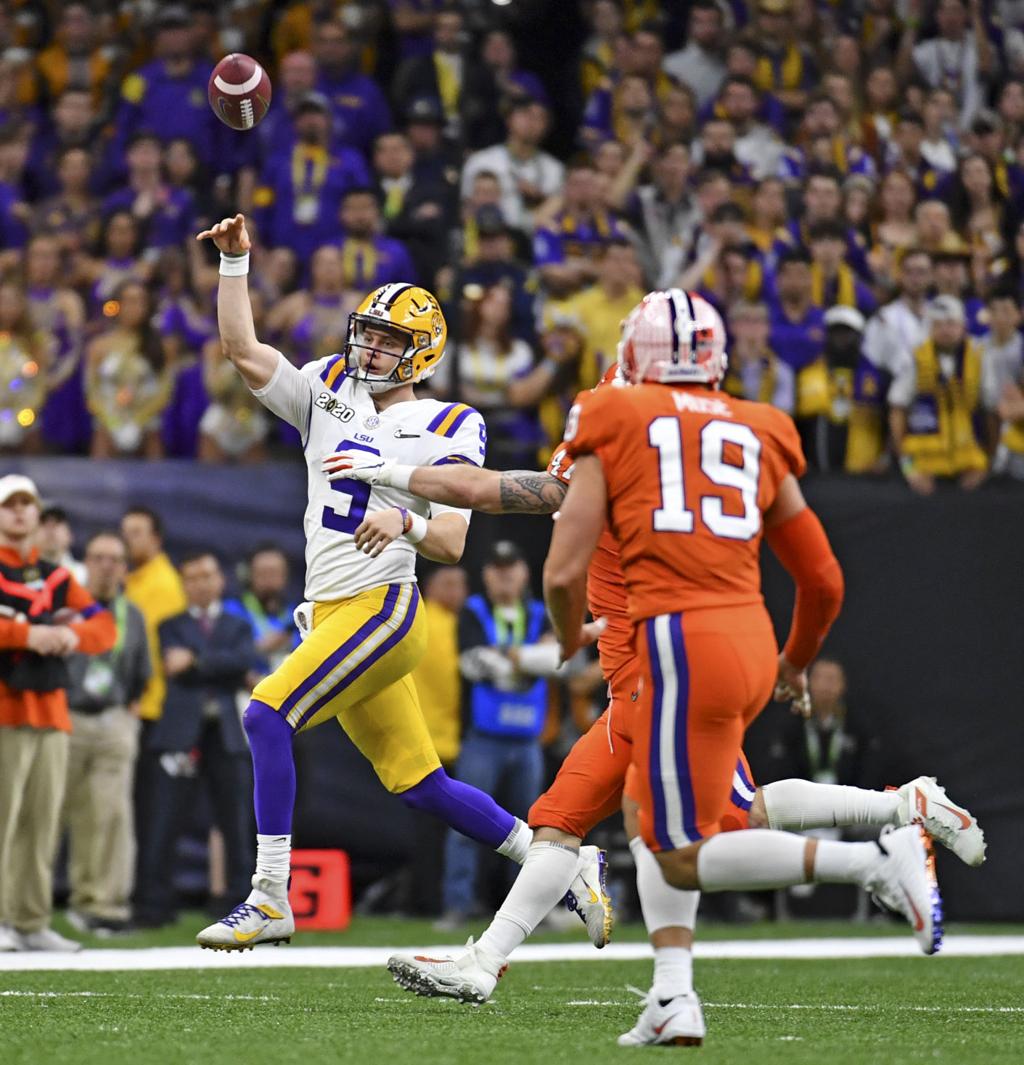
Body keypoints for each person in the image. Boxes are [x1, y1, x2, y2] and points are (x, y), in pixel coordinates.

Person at [328, 299, 984, 1039]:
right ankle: (510, 964)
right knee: (569, 816)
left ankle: (880, 848)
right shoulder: (756, 425)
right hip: (716, 641)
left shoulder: (614, 417)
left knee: (688, 840)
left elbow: (537, 533)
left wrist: (393, 474)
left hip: (663, 651)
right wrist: (796, 662)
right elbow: (823, 579)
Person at [192, 212, 605, 950]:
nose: (368, 346)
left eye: (387, 340)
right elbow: (243, 349)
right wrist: (235, 266)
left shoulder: (450, 420)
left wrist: (406, 523)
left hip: (384, 607)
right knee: (420, 783)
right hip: (330, 613)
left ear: (421, 354)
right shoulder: (326, 385)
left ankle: (269, 896)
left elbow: (450, 538)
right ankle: (564, 863)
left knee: (265, 713)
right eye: (367, 331)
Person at [0, 475, 116, 952]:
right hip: (5, 710)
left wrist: (71, 637)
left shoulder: (56, 576)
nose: (21, 513)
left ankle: (29, 922)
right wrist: (29, 635)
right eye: (11, 505)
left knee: (41, 823)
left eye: (29, 506)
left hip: (50, 711)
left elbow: (103, 627)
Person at [133, 551, 256, 927]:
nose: (201, 583)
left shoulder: (238, 624)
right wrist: (219, 665)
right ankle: (153, 906)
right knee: (163, 820)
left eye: (207, 575)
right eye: (193, 577)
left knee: (236, 822)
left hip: (227, 733)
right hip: (179, 733)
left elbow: (241, 663)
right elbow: (174, 667)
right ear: (184, 585)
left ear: (220, 581)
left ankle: (240, 903)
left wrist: (198, 662)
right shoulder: (170, 624)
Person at [440, 542, 559, 928]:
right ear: (487, 575)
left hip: (526, 737)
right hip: (485, 737)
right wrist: (528, 660)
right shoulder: (473, 611)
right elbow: (474, 665)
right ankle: (459, 903)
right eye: (497, 568)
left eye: (512, 567)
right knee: (466, 821)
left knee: (532, 825)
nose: (505, 575)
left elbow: (559, 662)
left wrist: (506, 658)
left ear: (524, 572)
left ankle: (526, 909)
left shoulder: (541, 612)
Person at [62, 531, 150, 935]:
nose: (105, 565)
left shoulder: (132, 616)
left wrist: (126, 712)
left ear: (124, 568)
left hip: (114, 719)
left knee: (111, 816)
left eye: (114, 559)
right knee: (41, 815)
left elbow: (141, 674)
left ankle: (105, 907)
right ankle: (20, 907)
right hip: (64, 716)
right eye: (97, 557)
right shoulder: (63, 606)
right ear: (85, 563)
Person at [888, 295, 989, 494]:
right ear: (930, 328)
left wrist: (988, 464)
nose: (945, 330)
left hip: (969, 459)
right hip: (923, 462)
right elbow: (897, 411)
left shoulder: (980, 358)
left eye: (951, 323)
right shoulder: (915, 359)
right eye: (938, 325)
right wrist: (909, 469)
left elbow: (992, 412)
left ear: (963, 326)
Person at [121, 506, 187, 726]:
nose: (128, 540)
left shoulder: (161, 584)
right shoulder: (134, 578)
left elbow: (148, 645)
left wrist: (137, 694)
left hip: (148, 703)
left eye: (136, 533)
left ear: (156, 539)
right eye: (126, 533)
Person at [223, 544, 298, 682]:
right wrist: (257, 648)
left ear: (285, 575)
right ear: (248, 575)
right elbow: (221, 656)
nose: (269, 579)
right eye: (263, 573)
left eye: (274, 572)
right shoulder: (230, 610)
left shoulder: (297, 614)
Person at [36, 506, 86, 584]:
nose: (50, 527)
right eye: (43, 522)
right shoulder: (20, 573)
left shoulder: (84, 574)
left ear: (70, 535)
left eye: (57, 522)